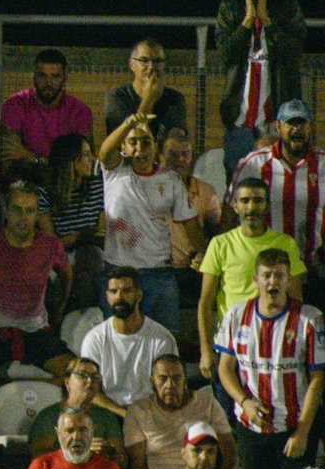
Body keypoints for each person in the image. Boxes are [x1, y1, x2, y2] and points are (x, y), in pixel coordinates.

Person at [214, 248, 325, 469]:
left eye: (279, 275)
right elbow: (224, 369)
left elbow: (318, 378)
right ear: (256, 279)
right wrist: (244, 402)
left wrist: (303, 431)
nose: (272, 282)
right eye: (266, 275)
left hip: (292, 425)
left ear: (289, 280)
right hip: (251, 425)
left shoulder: (309, 318)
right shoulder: (236, 315)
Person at [0, 181, 74, 399]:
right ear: (6, 211)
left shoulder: (49, 245)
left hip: (35, 330)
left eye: (30, 211)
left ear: (38, 214)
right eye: (17, 210)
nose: (23, 217)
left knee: (75, 374)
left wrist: (57, 313)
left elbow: (67, 276)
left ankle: (37, 415)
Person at [99, 110, 204, 329]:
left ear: (155, 146)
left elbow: (191, 226)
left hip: (160, 275)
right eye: (133, 142)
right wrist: (128, 122)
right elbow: (105, 151)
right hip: (119, 275)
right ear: (124, 147)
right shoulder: (115, 172)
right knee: (122, 340)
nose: (140, 148)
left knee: (167, 342)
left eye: (146, 142)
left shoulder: (171, 180)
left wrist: (206, 255)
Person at [199, 178, 306, 381]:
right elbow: (205, 301)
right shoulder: (220, 244)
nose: (251, 207)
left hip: (275, 346)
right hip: (230, 348)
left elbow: (296, 299)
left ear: (267, 206)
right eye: (245, 200)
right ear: (235, 206)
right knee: (227, 412)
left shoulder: (285, 244)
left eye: (258, 201)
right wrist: (206, 349)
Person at [217, 0, 307, 174]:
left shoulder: (287, 5)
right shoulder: (230, 7)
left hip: (279, 122)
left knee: (280, 182)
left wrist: (267, 21)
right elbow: (225, 54)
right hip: (240, 121)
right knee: (238, 186)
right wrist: (248, 19)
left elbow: (294, 51)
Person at [227, 100, 325, 304]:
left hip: (314, 272)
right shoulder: (253, 164)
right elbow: (229, 214)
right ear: (278, 127)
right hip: (265, 272)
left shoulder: (323, 165)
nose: (296, 129)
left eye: (302, 123)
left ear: (311, 127)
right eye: (290, 123)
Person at [128, 361, 236, 469]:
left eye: (176, 378)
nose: (170, 385)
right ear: (153, 381)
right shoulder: (139, 410)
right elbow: (137, 468)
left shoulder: (208, 403)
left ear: (185, 380)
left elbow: (229, 453)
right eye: (163, 379)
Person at [84, 268, 181, 409]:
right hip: (109, 412)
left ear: (139, 295)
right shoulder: (94, 339)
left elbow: (169, 387)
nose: (119, 297)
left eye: (126, 291)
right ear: (107, 296)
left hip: (150, 411)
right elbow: (90, 391)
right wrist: (125, 415)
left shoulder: (162, 338)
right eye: (113, 291)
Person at [38, 133, 106, 306]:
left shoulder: (96, 186)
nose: (92, 159)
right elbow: (50, 244)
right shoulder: (46, 193)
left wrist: (91, 238)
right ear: (70, 160)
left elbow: (102, 231)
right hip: (63, 256)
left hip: (92, 254)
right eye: (85, 154)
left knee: (92, 259)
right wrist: (80, 237)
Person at [0, 49, 93, 168]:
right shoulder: (15, 104)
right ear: (33, 77)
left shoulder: (79, 111)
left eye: (55, 76)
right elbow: (9, 158)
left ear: (64, 79)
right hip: (24, 180)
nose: (49, 83)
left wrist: (33, 158)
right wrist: (60, 164)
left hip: (66, 183)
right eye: (42, 76)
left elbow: (84, 163)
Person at [26, 356, 126, 463]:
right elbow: (39, 459)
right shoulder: (49, 416)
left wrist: (111, 454)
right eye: (82, 375)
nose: (90, 380)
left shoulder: (106, 416)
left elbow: (122, 462)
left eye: (95, 377)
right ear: (67, 382)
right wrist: (82, 451)